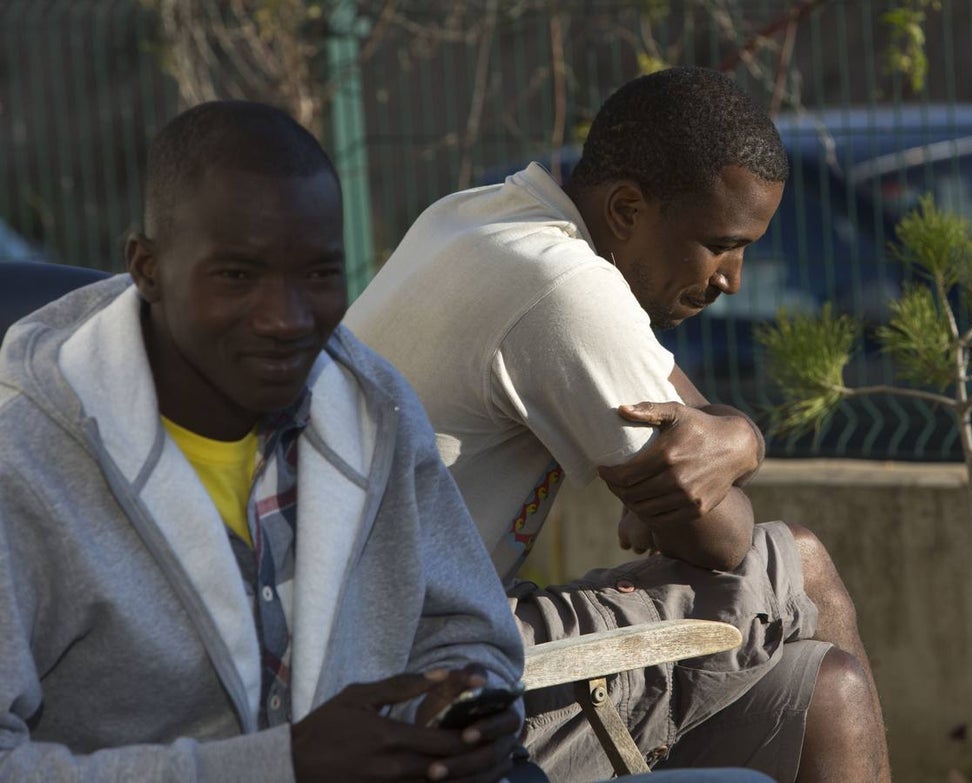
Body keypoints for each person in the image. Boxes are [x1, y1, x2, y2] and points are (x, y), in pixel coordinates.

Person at [346, 67, 891, 783]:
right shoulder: (568, 287)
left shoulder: (478, 215)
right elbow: (718, 539)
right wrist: (717, 458)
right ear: (628, 210)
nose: (733, 277)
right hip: (417, 679)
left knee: (828, 690)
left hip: (373, 646)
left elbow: (696, 430)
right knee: (804, 563)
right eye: (721, 243)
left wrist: (743, 436)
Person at [0, 100, 527, 783]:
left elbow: (464, 627)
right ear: (147, 267)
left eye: (318, 274)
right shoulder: (26, 464)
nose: (287, 319)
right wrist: (277, 766)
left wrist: (458, 705)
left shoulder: (374, 408)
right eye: (237, 276)